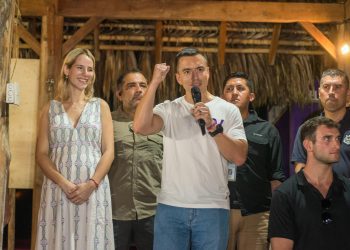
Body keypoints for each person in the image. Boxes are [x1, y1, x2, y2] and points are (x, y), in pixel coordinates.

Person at [133, 47, 248, 250]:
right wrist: (154, 83)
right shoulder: (168, 109)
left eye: (199, 69)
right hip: (171, 207)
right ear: (178, 78)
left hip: (212, 207)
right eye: (187, 71)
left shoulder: (228, 110)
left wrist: (212, 126)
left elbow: (239, 157)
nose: (194, 76)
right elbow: (141, 126)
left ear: (208, 72)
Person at [35, 48, 115, 250]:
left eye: (90, 69)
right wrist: (64, 184)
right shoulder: (50, 108)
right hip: (58, 189)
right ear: (66, 69)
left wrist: (91, 184)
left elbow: (109, 151)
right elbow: (42, 154)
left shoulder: (100, 106)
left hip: (93, 190)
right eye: (80, 68)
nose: (85, 74)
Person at [222, 72, 286, 250]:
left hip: (257, 214)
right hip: (219, 211)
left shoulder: (267, 130)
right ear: (222, 96)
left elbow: (276, 177)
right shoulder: (214, 127)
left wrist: (277, 214)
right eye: (229, 89)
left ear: (251, 96)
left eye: (240, 88)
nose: (234, 92)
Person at [268, 116, 350, 250]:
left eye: (338, 139)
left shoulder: (347, 188)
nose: (336, 145)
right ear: (308, 145)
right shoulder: (285, 195)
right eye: (327, 139)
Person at [108, 69, 163, 250]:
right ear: (119, 94)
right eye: (131, 86)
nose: (139, 90)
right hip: (115, 210)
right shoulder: (106, 122)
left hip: (153, 209)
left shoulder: (161, 122)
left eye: (143, 85)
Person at [291, 69, 350, 177]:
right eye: (326, 87)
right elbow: (300, 165)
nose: (331, 92)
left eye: (337, 87)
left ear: (348, 92)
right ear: (319, 93)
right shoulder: (307, 129)